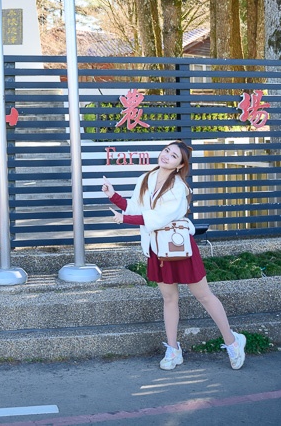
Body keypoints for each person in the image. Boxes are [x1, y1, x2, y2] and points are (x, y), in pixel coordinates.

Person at [103, 140, 247, 371]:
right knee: (169, 298)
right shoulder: (146, 179)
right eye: (166, 151)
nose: (166, 156)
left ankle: (233, 341)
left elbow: (159, 217)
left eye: (173, 156)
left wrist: (124, 219)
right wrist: (114, 196)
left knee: (204, 295)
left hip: (179, 246)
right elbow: (136, 208)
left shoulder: (179, 187)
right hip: (157, 247)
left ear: (180, 165)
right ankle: (173, 350)